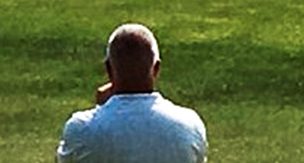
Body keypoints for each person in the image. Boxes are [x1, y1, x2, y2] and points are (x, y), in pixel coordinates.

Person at [56, 24, 207, 162]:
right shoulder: (190, 125)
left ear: (108, 69)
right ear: (156, 69)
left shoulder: (81, 129)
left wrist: (101, 109)